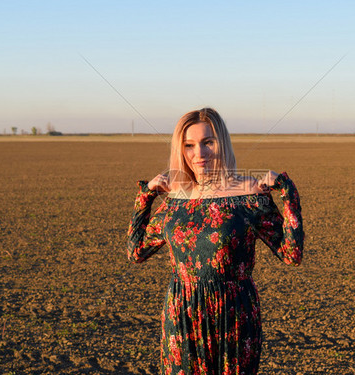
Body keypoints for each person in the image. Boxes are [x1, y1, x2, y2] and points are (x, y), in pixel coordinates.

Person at [127, 108, 304, 374]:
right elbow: (136, 251)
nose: (199, 153)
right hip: (181, 317)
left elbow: (292, 254)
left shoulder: (249, 194)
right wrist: (146, 196)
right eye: (189, 145)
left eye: (208, 142)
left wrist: (287, 192)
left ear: (222, 142)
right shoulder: (176, 200)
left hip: (234, 317)